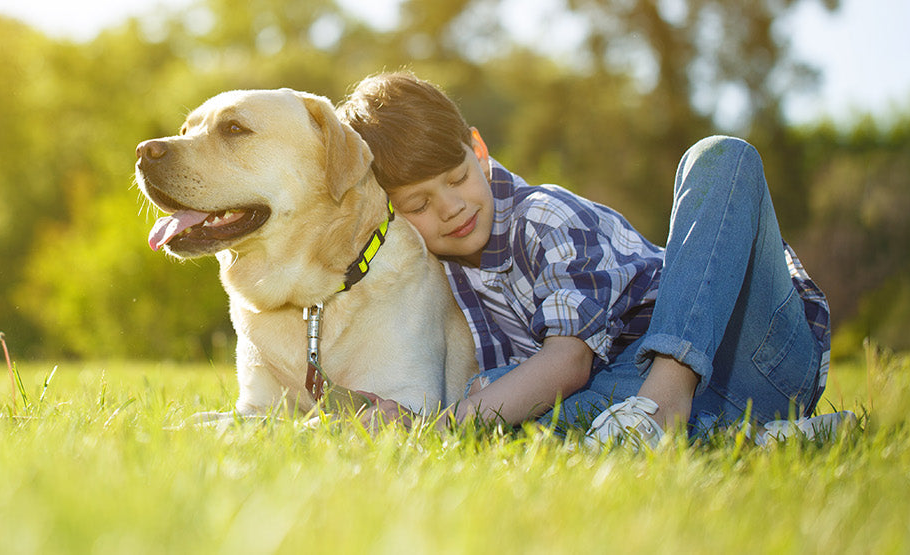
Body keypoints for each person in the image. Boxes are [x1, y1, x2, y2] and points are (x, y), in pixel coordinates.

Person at [336, 71, 848, 446]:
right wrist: (412, 419)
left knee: (720, 156)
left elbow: (569, 361)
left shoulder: (543, 218)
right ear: (391, 213)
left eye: (456, 178)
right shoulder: (437, 274)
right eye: (419, 205)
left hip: (743, 356)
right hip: (620, 401)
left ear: (479, 149)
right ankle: (751, 438)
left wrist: (450, 426)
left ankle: (669, 401)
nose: (452, 209)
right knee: (501, 399)